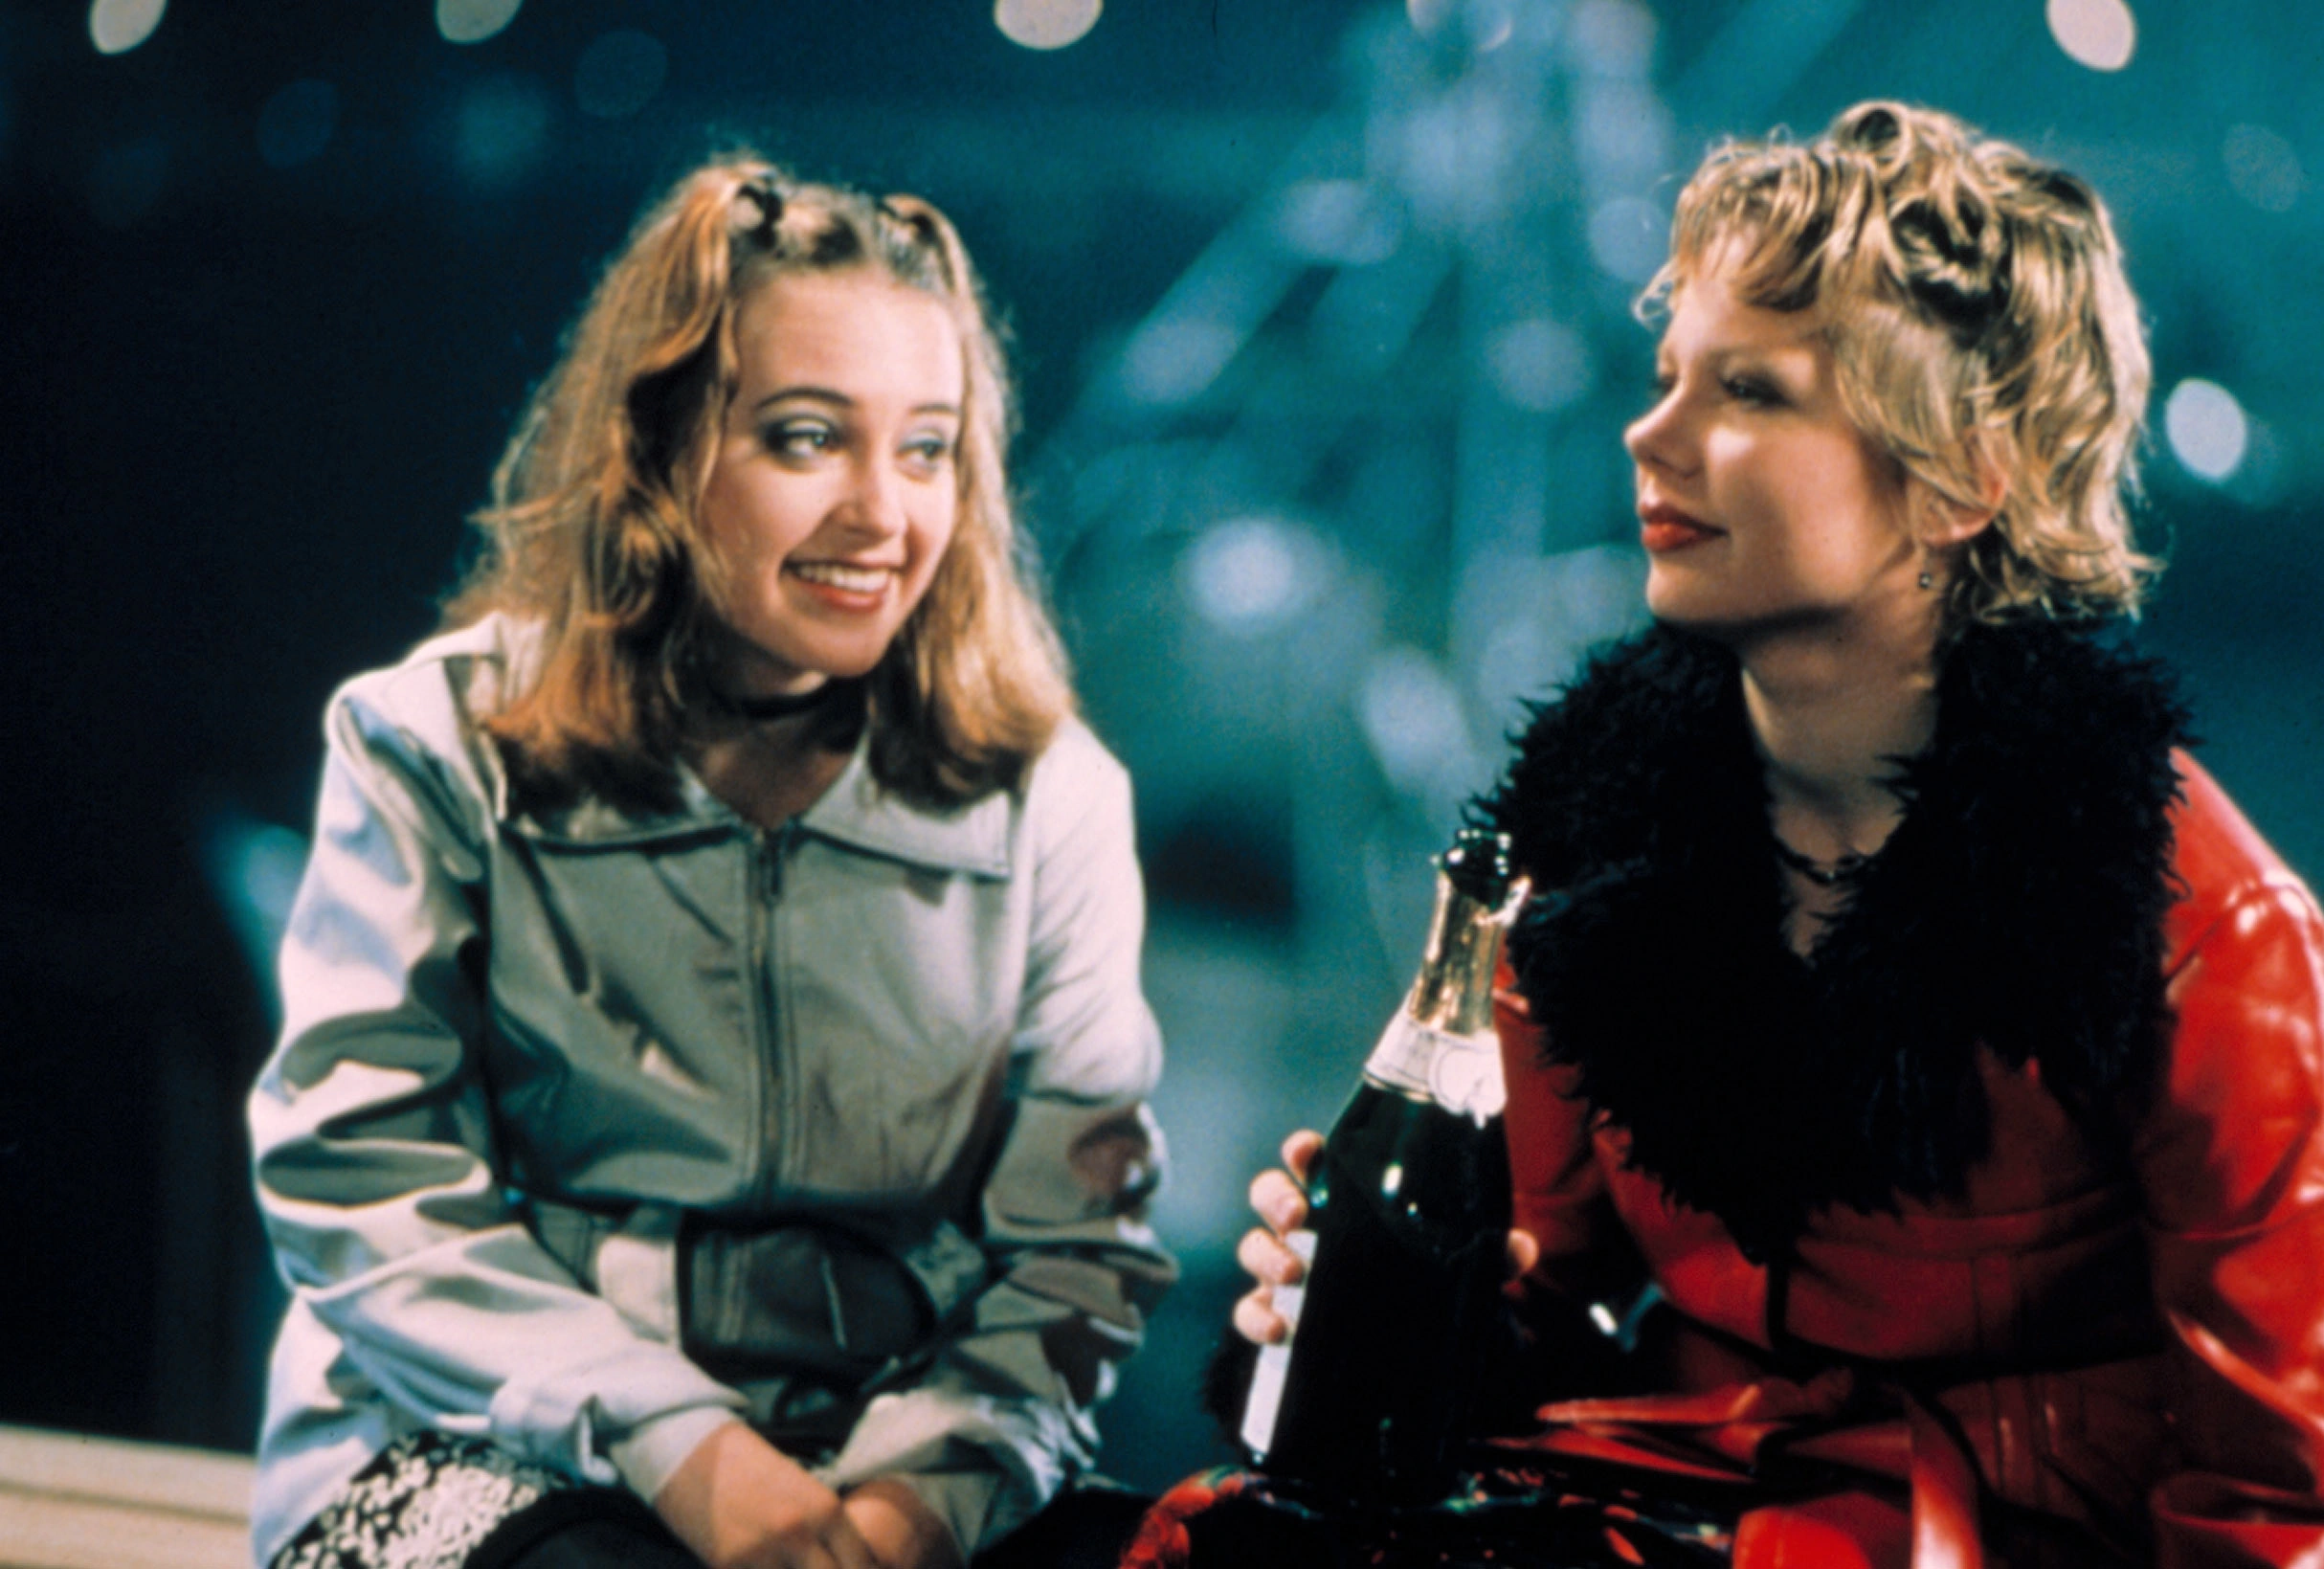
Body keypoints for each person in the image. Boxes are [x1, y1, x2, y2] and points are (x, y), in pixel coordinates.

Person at [1230, 101, 2324, 1567]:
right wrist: (1373, 1303)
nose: (1652, 432)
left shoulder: (2201, 924)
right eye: (1667, 375)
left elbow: (2281, 1504)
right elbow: (1531, 1294)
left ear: (1961, 476)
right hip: (1676, 1501)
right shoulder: (1591, 841)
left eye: (1748, 389)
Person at [246, 154, 1173, 1569]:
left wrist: (919, 1504)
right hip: (478, 1442)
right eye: (809, 439)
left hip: (887, 1457)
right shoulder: (435, 742)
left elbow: (1077, 1252)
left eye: (926, 449)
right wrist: (686, 1448)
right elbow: (362, 1181)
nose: (883, 514)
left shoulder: (1052, 799)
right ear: (664, 451)